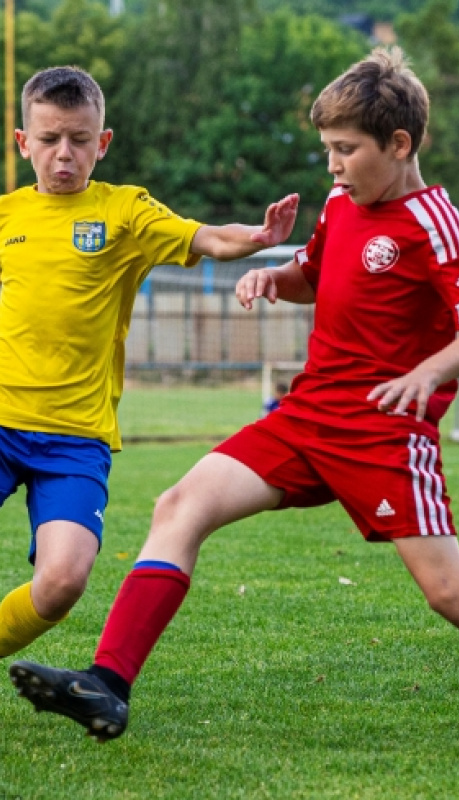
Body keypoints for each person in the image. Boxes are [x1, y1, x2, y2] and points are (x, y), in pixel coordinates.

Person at [10, 50, 459, 771]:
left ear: (400, 145)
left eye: (345, 150)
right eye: (328, 150)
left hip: (383, 435)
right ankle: (108, 685)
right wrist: (269, 275)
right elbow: (313, 276)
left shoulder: (432, 220)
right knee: (179, 506)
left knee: (451, 593)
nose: (333, 167)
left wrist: (429, 372)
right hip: (306, 417)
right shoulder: (346, 206)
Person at [0, 66, 298, 660]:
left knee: (62, 583)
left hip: (77, 437)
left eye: (80, 140)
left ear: (102, 143)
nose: (65, 154)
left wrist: (258, 237)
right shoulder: (7, 217)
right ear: (22, 142)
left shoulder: (124, 211)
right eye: (50, 139)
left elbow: (207, 238)